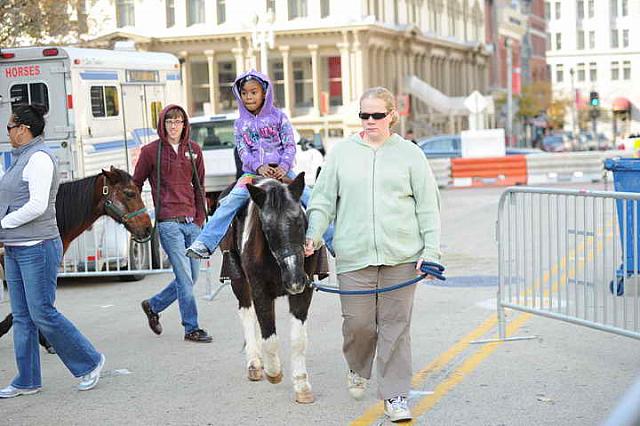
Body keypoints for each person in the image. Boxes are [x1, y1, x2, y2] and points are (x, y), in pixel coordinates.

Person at [303, 87, 441, 423]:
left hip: (402, 257)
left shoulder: (410, 155)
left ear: (392, 115)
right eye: (363, 115)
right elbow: (322, 200)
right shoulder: (341, 154)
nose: (369, 121)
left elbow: (428, 208)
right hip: (354, 255)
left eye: (376, 115)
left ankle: (394, 395)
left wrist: (431, 250)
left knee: (396, 326)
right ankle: (358, 366)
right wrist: (313, 234)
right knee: (359, 325)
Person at [0, 104, 105, 398]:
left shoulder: (40, 159)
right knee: (22, 317)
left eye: (10, 127)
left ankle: (90, 361)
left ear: (23, 129)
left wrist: (3, 223)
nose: (7, 132)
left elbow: (37, 206)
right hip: (16, 248)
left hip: (38, 247)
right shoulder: (18, 159)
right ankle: (27, 380)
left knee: (43, 313)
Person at [186, 69, 332, 259]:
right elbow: (243, 151)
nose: (248, 97)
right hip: (252, 175)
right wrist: (259, 167)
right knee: (228, 203)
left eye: (253, 92)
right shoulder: (240, 124)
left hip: (283, 171)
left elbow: (289, 145)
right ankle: (205, 243)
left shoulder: (280, 118)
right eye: (244, 93)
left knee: (312, 199)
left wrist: (283, 167)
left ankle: (333, 240)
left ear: (264, 92)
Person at [133, 104, 212, 343]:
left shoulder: (194, 150)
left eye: (178, 121)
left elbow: (200, 187)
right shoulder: (150, 152)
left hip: (193, 223)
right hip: (168, 223)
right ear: (162, 124)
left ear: (185, 124)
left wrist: (200, 219)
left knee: (192, 277)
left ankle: (153, 305)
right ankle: (191, 328)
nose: (174, 126)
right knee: (185, 277)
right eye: (169, 122)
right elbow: (135, 185)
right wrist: (140, 214)